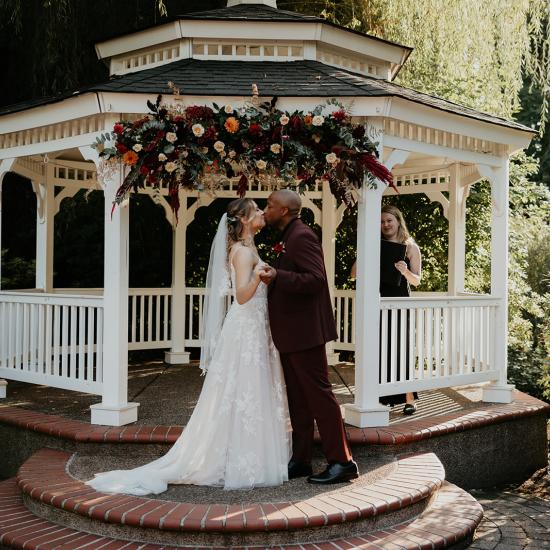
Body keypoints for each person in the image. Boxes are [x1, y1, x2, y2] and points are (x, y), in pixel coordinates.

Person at [86, 198, 291, 494]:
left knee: (250, 391)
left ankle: (250, 452)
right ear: (244, 220)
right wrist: (261, 276)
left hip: (255, 327)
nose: (262, 213)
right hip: (245, 327)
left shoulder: (250, 248)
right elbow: (243, 297)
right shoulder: (243, 252)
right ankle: (239, 459)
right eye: (257, 209)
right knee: (243, 388)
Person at [262, 189, 358, 485]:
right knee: (298, 399)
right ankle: (301, 459)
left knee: (320, 397)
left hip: (305, 332)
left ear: (285, 210)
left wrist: (279, 277)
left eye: (270, 205)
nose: (265, 209)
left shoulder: (301, 236)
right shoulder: (286, 235)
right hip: (291, 332)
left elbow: (316, 279)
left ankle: (343, 462)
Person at [351, 204, 422, 415]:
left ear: (398, 221)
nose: (385, 225)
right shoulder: (374, 244)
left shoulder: (410, 247)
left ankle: (410, 399)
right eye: (382, 222)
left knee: (402, 349)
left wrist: (405, 271)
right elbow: (354, 274)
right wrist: (365, 251)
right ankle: (380, 397)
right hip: (376, 301)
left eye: (389, 220)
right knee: (379, 349)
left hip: (400, 302)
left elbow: (416, 281)